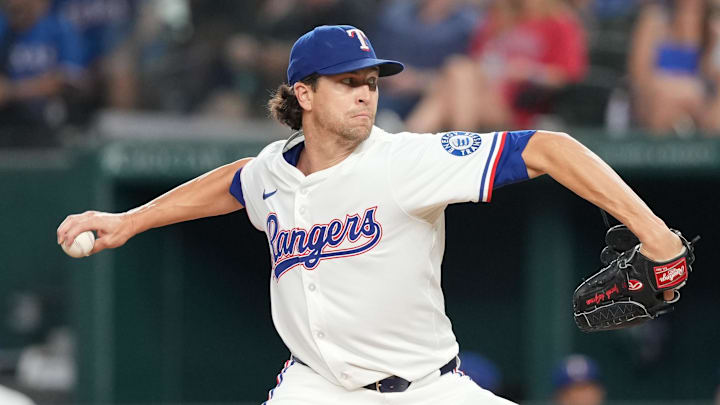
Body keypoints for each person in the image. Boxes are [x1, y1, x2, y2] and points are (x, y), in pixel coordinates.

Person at [57, 24, 685, 405]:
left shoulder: (403, 160)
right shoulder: (276, 170)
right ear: (303, 94)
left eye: (372, 81)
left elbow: (550, 147)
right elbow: (235, 184)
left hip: (426, 389)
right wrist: (130, 220)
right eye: (346, 81)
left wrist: (655, 235)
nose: (365, 92)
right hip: (319, 388)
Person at [406, 0, 588, 132]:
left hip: (515, 108)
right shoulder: (496, 19)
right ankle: (462, 141)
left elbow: (567, 76)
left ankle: (409, 139)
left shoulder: (560, 23)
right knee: (452, 82)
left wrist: (528, 71)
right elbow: (476, 63)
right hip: (477, 96)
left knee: (455, 75)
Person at [627, 0, 720, 135]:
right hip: (656, 96)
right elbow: (640, 74)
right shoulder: (655, 19)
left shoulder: (712, 26)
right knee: (665, 105)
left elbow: (712, 75)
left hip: (699, 100)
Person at [0, 0, 85, 146]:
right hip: (9, 119)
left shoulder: (60, 27)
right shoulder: (4, 30)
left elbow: (67, 81)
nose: (13, 6)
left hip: (51, 119)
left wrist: (13, 91)